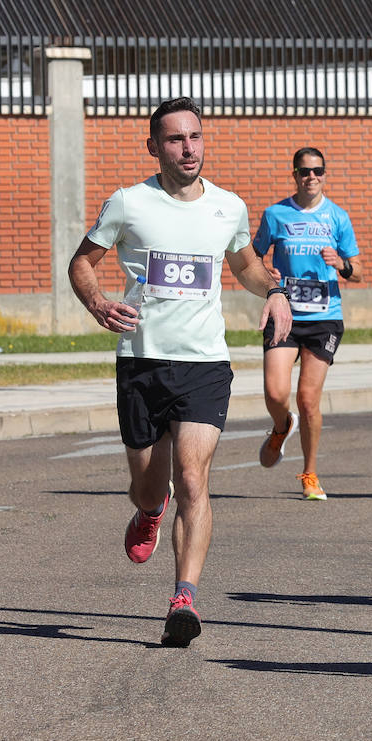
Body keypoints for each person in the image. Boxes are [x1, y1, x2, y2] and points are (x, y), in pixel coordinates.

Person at [67, 97, 292, 646]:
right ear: (154, 147)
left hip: (204, 363)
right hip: (141, 361)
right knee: (151, 485)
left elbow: (246, 269)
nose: (187, 148)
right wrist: (98, 303)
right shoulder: (128, 203)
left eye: (194, 137)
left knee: (194, 478)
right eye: (174, 139)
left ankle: (183, 599)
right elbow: (81, 262)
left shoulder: (228, 207)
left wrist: (278, 291)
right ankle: (149, 510)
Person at [253, 147, 362, 501]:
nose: (310, 177)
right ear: (294, 175)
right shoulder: (276, 214)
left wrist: (341, 264)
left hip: (324, 318)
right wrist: (267, 272)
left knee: (308, 399)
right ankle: (281, 427)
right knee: (274, 392)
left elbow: (358, 271)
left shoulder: (338, 217)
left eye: (317, 171)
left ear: (325, 174)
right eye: (304, 172)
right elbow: (252, 256)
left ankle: (310, 474)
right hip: (284, 312)